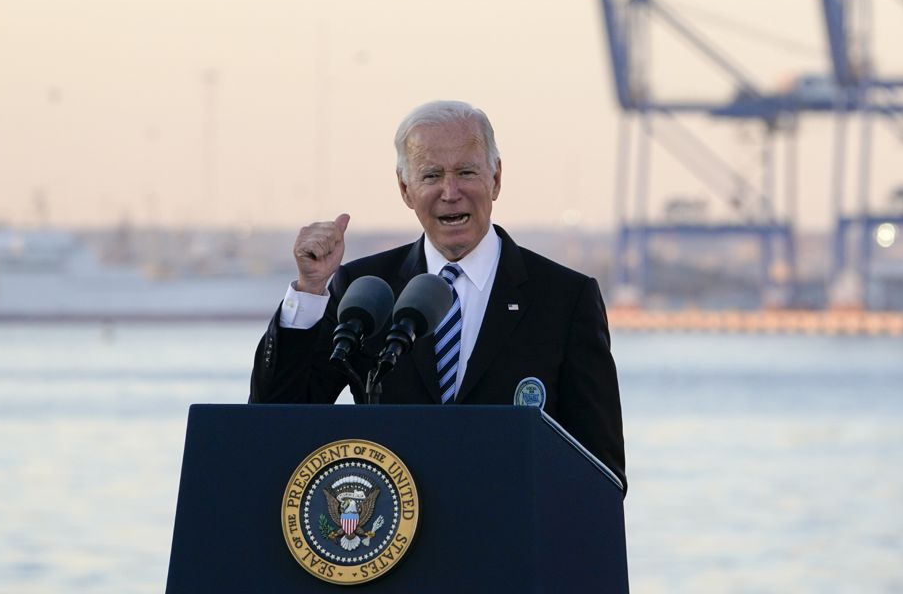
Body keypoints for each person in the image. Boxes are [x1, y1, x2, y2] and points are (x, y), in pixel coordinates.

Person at [249, 100, 625, 488]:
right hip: (393, 541)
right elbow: (274, 420)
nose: (451, 192)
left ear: (495, 179)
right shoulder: (365, 292)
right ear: (405, 189)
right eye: (431, 175)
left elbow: (602, 469)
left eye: (466, 172)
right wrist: (311, 290)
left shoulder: (565, 298)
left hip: (513, 541)